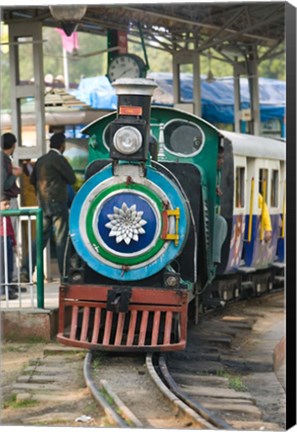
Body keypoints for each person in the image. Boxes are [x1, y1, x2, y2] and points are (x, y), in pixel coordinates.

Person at [20, 132, 76, 282]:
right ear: (62, 145)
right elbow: (72, 178)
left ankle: (25, 270)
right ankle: (65, 275)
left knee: (39, 239)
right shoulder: (59, 159)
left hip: (43, 205)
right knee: (61, 240)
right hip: (58, 204)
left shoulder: (41, 160)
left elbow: (32, 180)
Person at [1, 132, 22, 282]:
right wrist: (15, 174)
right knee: (10, 239)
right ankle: (11, 278)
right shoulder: (3, 160)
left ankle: (10, 277)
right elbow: (4, 183)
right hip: (8, 201)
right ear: (13, 145)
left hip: (6, 201)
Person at [0, 194, 18, 300]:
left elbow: (11, 229)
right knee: (2, 266)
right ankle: (2, 291)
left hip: (8, 239)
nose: (7, 207)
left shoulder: (7, 216)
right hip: (1, 238)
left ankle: (8, 288)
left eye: (9, 204)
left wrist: (14, 244)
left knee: (9, 265)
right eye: (5, 204)